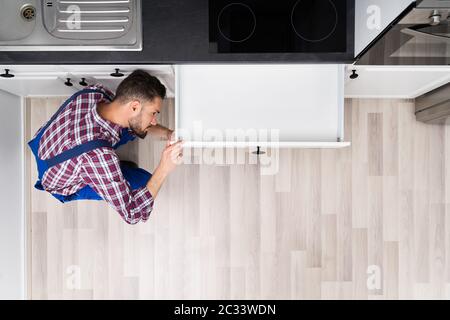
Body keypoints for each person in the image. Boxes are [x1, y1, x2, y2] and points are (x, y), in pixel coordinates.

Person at [28, 70, 183, 224]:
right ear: (134, 106)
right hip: (59, 181)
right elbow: (133, 213)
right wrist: (164, 167)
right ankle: (108, 174)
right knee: (144, 184)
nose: (154, 121)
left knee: (129, 127)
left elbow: (136, 125)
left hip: (48, 143)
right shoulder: (98, 155)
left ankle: (110, 173)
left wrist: (169, 133)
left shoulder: (95, 93)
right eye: (153, 113)